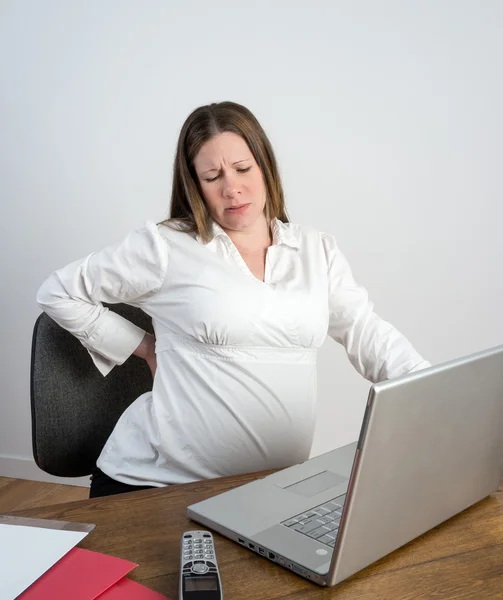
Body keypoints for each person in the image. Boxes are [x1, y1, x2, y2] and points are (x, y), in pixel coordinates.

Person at [37, 101, 430, 498]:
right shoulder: (166, 247)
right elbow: (59, 290)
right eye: (212, 176)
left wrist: (434, 390)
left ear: (265, 166)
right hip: (157, 485)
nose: (232, 188)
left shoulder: (316, 250)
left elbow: (366, 332)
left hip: (268, 491)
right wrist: (142, 347)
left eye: (243, 169)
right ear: (195, 185)